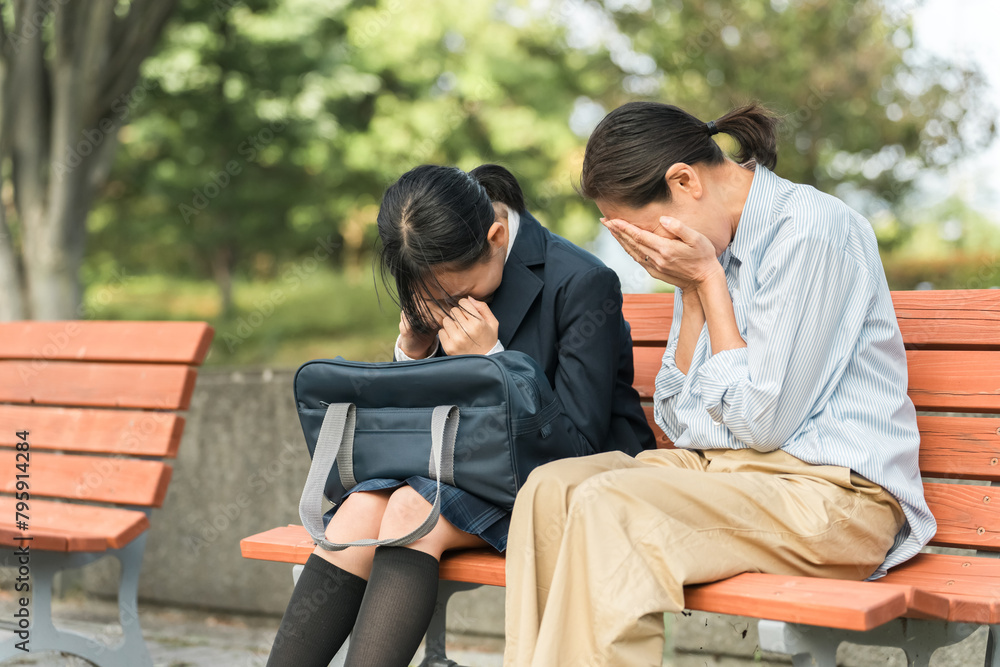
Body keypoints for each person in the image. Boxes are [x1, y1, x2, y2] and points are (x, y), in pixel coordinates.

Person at [502, 102, 936, 667]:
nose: (648, 253)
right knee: (549, 489)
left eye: (642, 232)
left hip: (831, 495)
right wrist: (691, 290)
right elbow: (682, 421)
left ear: (685, 181)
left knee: (612, 505)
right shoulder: (705, 252)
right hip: (727, 471)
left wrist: (708, 282)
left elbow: (759, 420)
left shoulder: (810, 231)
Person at [265, 163, 654, 667]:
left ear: (494, 237)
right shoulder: (440, 254)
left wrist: (495, 361)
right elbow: (422, 429)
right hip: (461, 477)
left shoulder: (582, 282)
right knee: (361, 509)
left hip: (570, 484)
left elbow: (575, 449)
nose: (443, 305)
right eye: (426, 294)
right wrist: (413, 355)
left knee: (411, 510)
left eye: (453, 294)